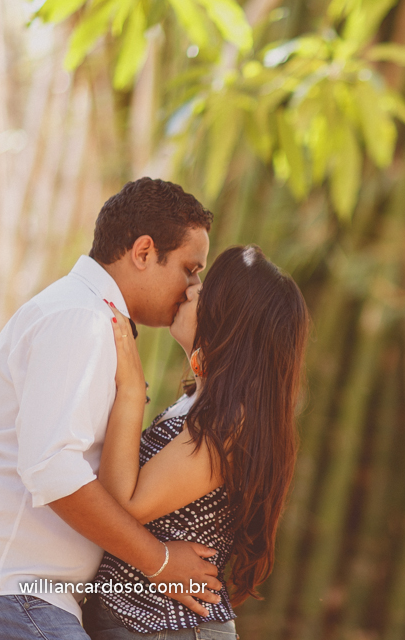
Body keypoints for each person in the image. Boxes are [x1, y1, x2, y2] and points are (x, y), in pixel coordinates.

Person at [0, 178, 223, 640]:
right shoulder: (81, 318)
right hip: (8, 595)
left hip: (18, 598)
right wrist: (159, 561)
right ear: (143, 252)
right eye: (189, 268)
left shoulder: (90, 316)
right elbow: (52, 470)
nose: (194, 287)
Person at [83, 245, 309, 639]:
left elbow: (125, 503)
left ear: (228, 318)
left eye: (204, 289)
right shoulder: (201, 405)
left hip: (170, 627)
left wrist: (133, 390)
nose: (189, 289)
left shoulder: (230, 422)